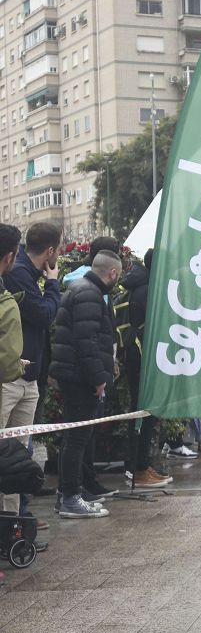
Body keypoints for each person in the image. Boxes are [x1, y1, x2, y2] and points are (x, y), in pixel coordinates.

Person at [51, 250, 121, 519]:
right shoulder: (91, 294)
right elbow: (87, 342)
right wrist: (99, 378)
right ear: (112, 273)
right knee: (77, 439)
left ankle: (66, 495)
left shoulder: (81, 289)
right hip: (81, 379)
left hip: (73, 375)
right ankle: (70, 497)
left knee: (73, 437)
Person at [1, 222, 60, 518]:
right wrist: (53, 283)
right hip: (10, 378)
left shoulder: (23, 271)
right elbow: (43, 314)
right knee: (8, 454)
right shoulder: (20, 274)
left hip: (29, 378)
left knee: (18, 455)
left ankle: (14, 523)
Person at [120, 249, 172, 487]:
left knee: (144, 411)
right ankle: (139, 468)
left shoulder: (141, 283)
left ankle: (141, 465)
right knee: (143, 411)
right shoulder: (148, 288)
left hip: (139, 352)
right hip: (142, 353)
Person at [0, 224, 27, 514]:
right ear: (10, 256)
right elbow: (7, 364)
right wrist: (18, 366)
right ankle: (9, 527)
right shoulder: (6, 304)